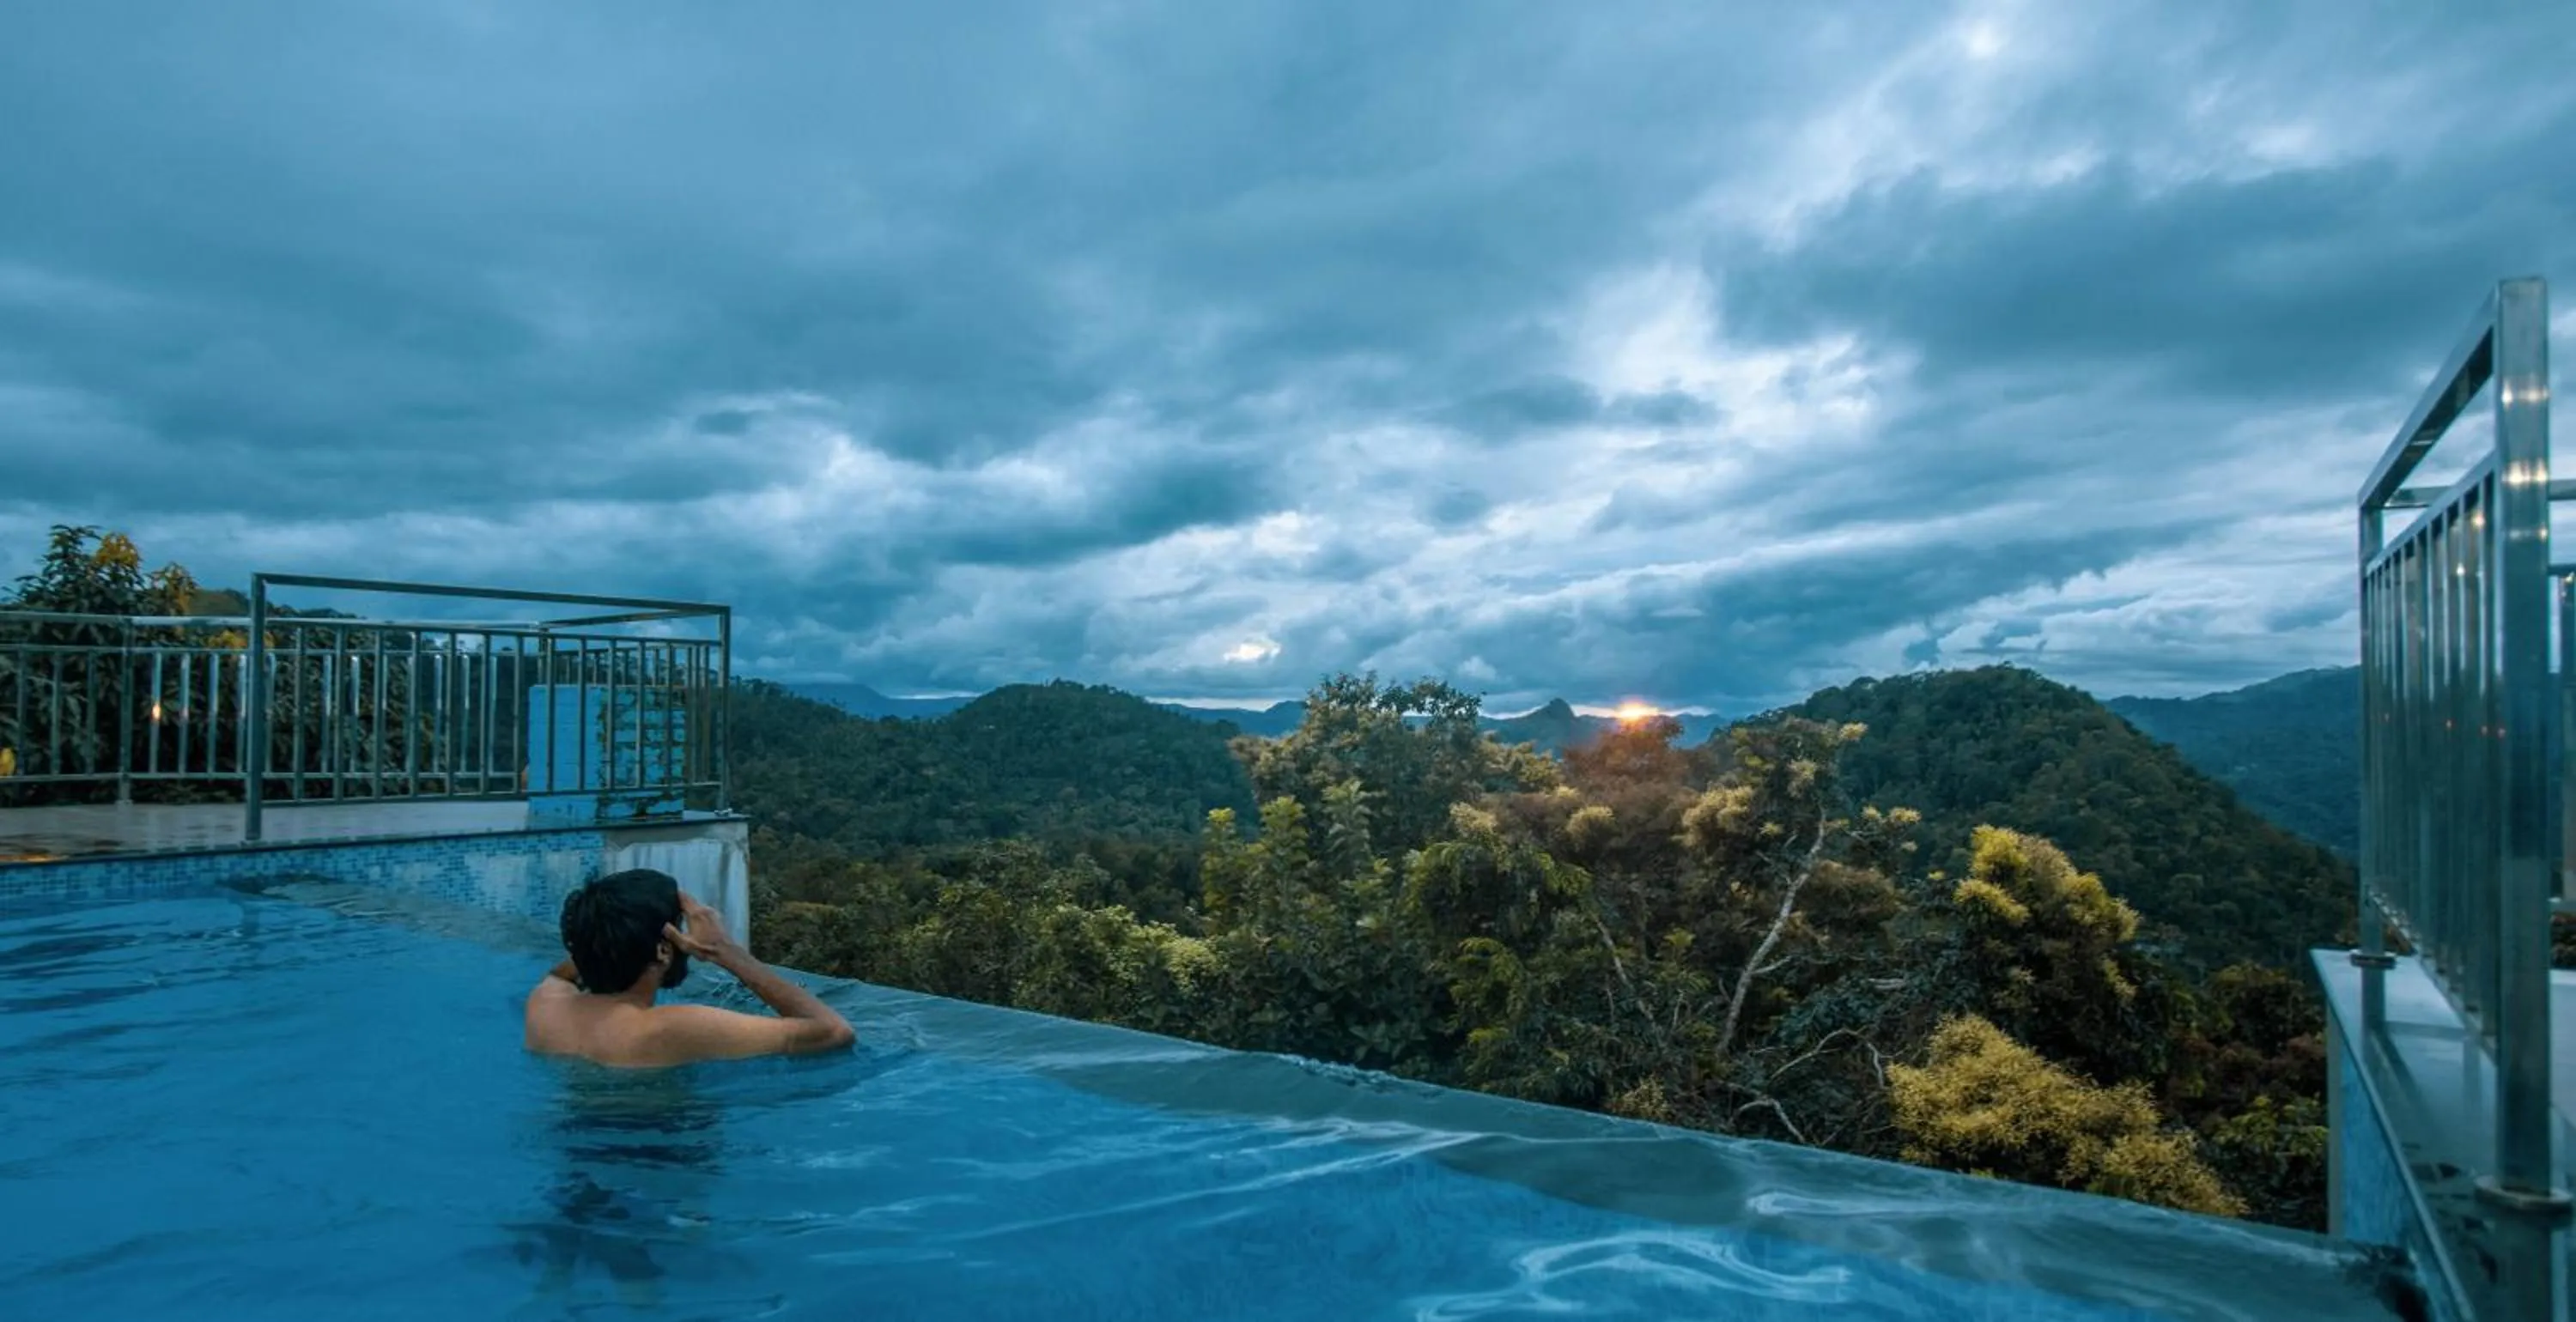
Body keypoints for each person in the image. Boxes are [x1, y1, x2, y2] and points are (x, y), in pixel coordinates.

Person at [524, 868, 855, 1067]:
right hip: (658, 1158)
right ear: (665, 948)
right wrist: (722, 950)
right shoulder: (671, 1028)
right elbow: (834, 1032)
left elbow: (560, 974)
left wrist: (603, 938)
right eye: (681, 925)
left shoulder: (546, 1007)